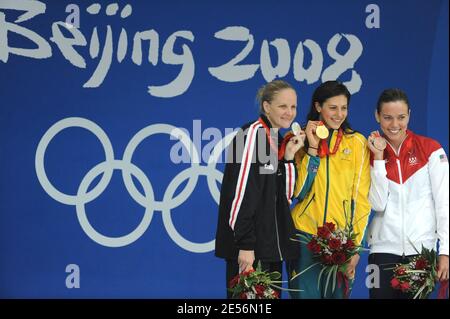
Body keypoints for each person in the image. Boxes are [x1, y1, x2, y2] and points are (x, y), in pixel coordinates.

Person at [215, 80, 319, 298]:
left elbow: (286, 197)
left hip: (271, 249)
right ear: (266, 107)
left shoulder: (275, 139)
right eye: (283, 106)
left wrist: (289, 157)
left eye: (293, 107)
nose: (289, 112)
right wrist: (245, 245)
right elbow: (240, 193)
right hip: (250, 250)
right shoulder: (252, 136)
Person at [289, 80, 371, 299]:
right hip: (305, 236)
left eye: (343, 108)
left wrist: (356, 248)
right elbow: (299, 192)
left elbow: (361, 199)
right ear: (318, 107)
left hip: (341, 242)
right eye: (332, 107)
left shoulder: (357, 144)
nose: (339, 114)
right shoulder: (302, 139)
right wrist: (312, 148)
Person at [366, 88, 449, 299]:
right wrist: (377, 158)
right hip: (381, 252)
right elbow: (377, 204)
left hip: (421, 252)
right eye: (387, 118)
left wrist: (445, 251)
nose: (395, 125)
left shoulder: (431, 150)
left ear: (409, 115)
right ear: (377, 116)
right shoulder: (367, 152)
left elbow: (444, 204)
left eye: (401, 117)